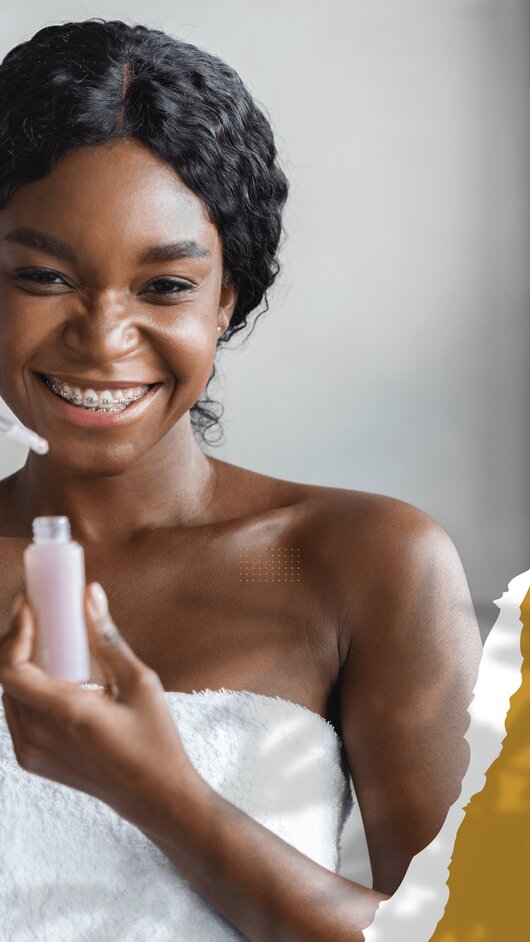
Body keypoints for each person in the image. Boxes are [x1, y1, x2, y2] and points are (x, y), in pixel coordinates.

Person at [0, 18, 483, 942]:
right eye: (42, 275)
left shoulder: (367, 564)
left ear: (229, 296)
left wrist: (157, 791)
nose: (104, 337)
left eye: (167, 286)